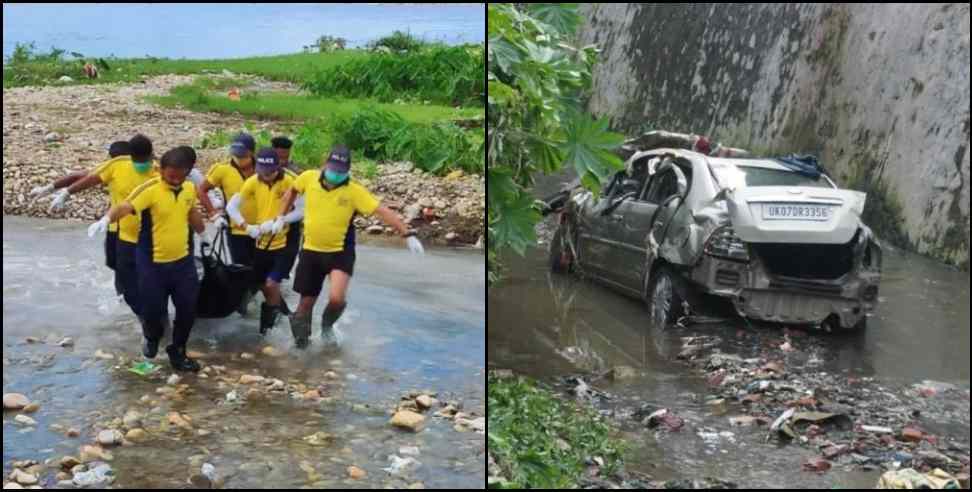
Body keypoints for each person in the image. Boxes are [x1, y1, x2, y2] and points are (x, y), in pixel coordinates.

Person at [278, 145, 425, 349]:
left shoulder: (354, 191)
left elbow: (381, 211)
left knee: (337, 298)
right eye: (333, 168)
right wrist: (280, 218)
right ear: (325, 165)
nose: (335, 174)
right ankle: (302, 348)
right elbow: (291, 192)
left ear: (347, 170)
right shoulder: (308, 178)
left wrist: (406, 233)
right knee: (304, 305)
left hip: (340, 251)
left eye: (341, 171)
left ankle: (327, 327)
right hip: (311, 250)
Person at [108, 146, 206, 372]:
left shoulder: (189, 188)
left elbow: (192, 213)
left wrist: (203, 234)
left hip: (182, 262)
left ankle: (179, 351)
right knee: (153, 311)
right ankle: (151, 336)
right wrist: (106, 219)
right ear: (161, 170)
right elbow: (125, 206)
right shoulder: (150, 189)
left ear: (186, 173)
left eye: (177, 175)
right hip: (152, 264)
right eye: (168, 174)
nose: (172, 179)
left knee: (187, 308)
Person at [31, 141, 131, 292]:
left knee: (125, 268)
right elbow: (81, 177)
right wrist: (50, 188)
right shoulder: (113, 168)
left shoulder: (142, 169)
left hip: (132, 228)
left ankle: (128, 296)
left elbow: (80, 177)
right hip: (113, 224)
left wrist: (58, 191)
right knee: (114, 263)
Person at [227, 148, 304, 335]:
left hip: (286, 239)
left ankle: (271, 329)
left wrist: (282, 220)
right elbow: (232, 207)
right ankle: (276, 318)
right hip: (262, 240)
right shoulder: (252, 182)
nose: (267, 176)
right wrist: (247, 227)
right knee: (261, 283)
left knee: (271, 283)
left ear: (278, 167)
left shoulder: (290, 181)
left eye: (270, 173)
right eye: (262, 172)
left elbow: (303, 210)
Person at [197, 132, 259, 314]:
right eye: (236, 155)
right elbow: (201, 190)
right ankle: (243, 306)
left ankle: (252, 300)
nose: (239, 159)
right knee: (243, 270)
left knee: (261, 273)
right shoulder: (222, 170)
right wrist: (213, 214)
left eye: (243, 155)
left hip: (264, 231)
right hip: (236, 230)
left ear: (252, 153)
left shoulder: (264, 168)